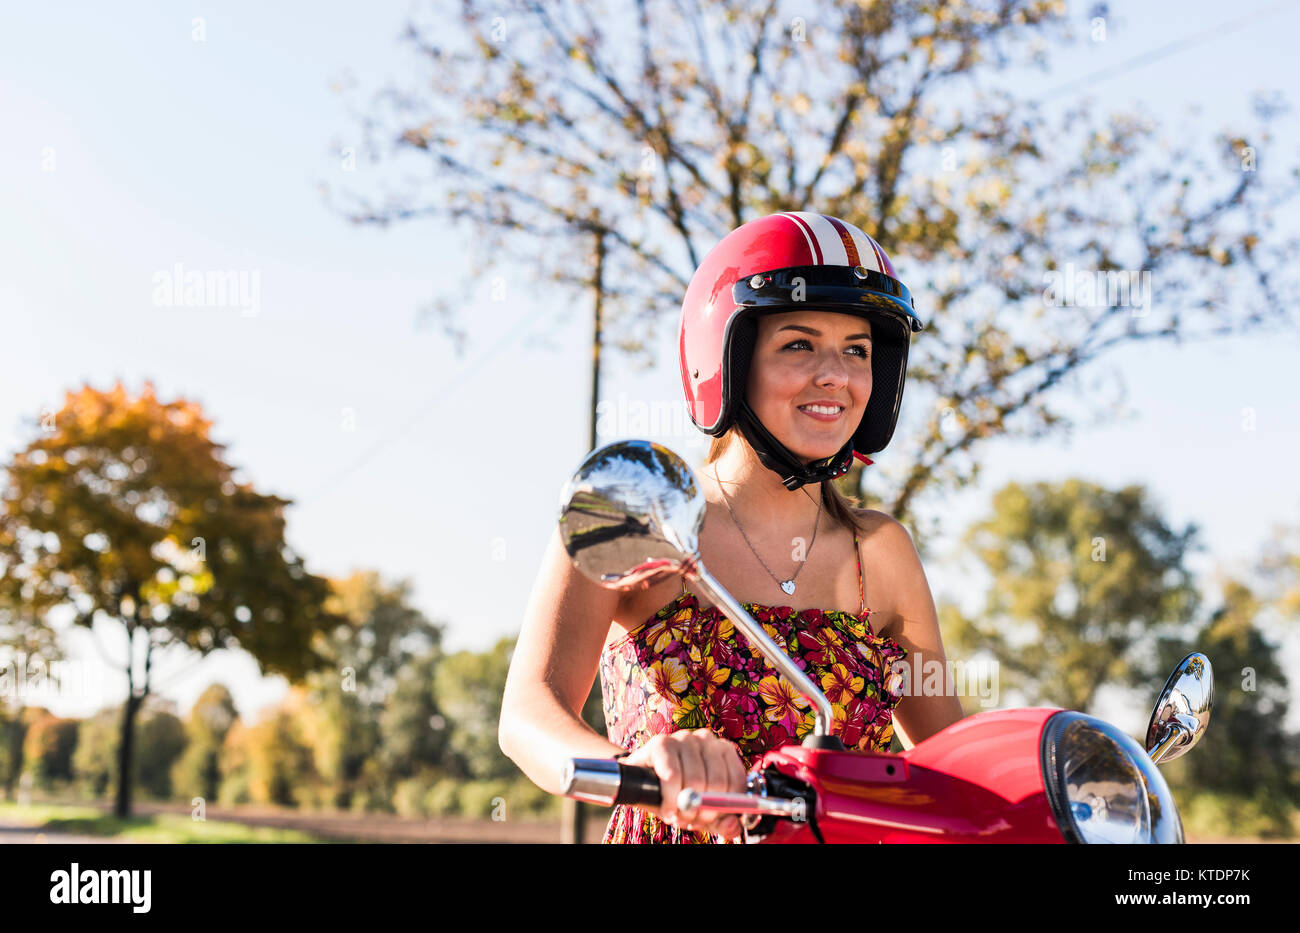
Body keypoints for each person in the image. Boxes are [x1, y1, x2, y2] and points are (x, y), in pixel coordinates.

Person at [500, 211, 965, 843]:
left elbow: (952, 767)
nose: (835, 375)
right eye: (798, 344)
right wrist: (637, 769)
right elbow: (528, 716)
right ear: (726, 358)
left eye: (857, 350)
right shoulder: (637, 511)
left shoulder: (880, 552)